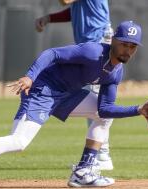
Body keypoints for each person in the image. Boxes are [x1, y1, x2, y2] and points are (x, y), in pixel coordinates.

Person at [0, 20, 148, 189]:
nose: (127, 50)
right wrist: (30, 77)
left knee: (103, 117)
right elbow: (52, 53)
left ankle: (83, 172)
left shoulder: (116, 71)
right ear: (113, 40)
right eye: (124, 43)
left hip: (67, 95)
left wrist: (139, 110)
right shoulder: (93, 52)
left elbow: (104, 109)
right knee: (19, 141)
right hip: (42, 90)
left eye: (132, 46)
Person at [35, 0, 114, 170]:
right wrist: (49, 17)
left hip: (99, 45)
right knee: (92, 98)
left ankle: (101, 156)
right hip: (91, 44)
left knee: (96, 100)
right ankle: (100, 155)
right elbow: (75, 12)